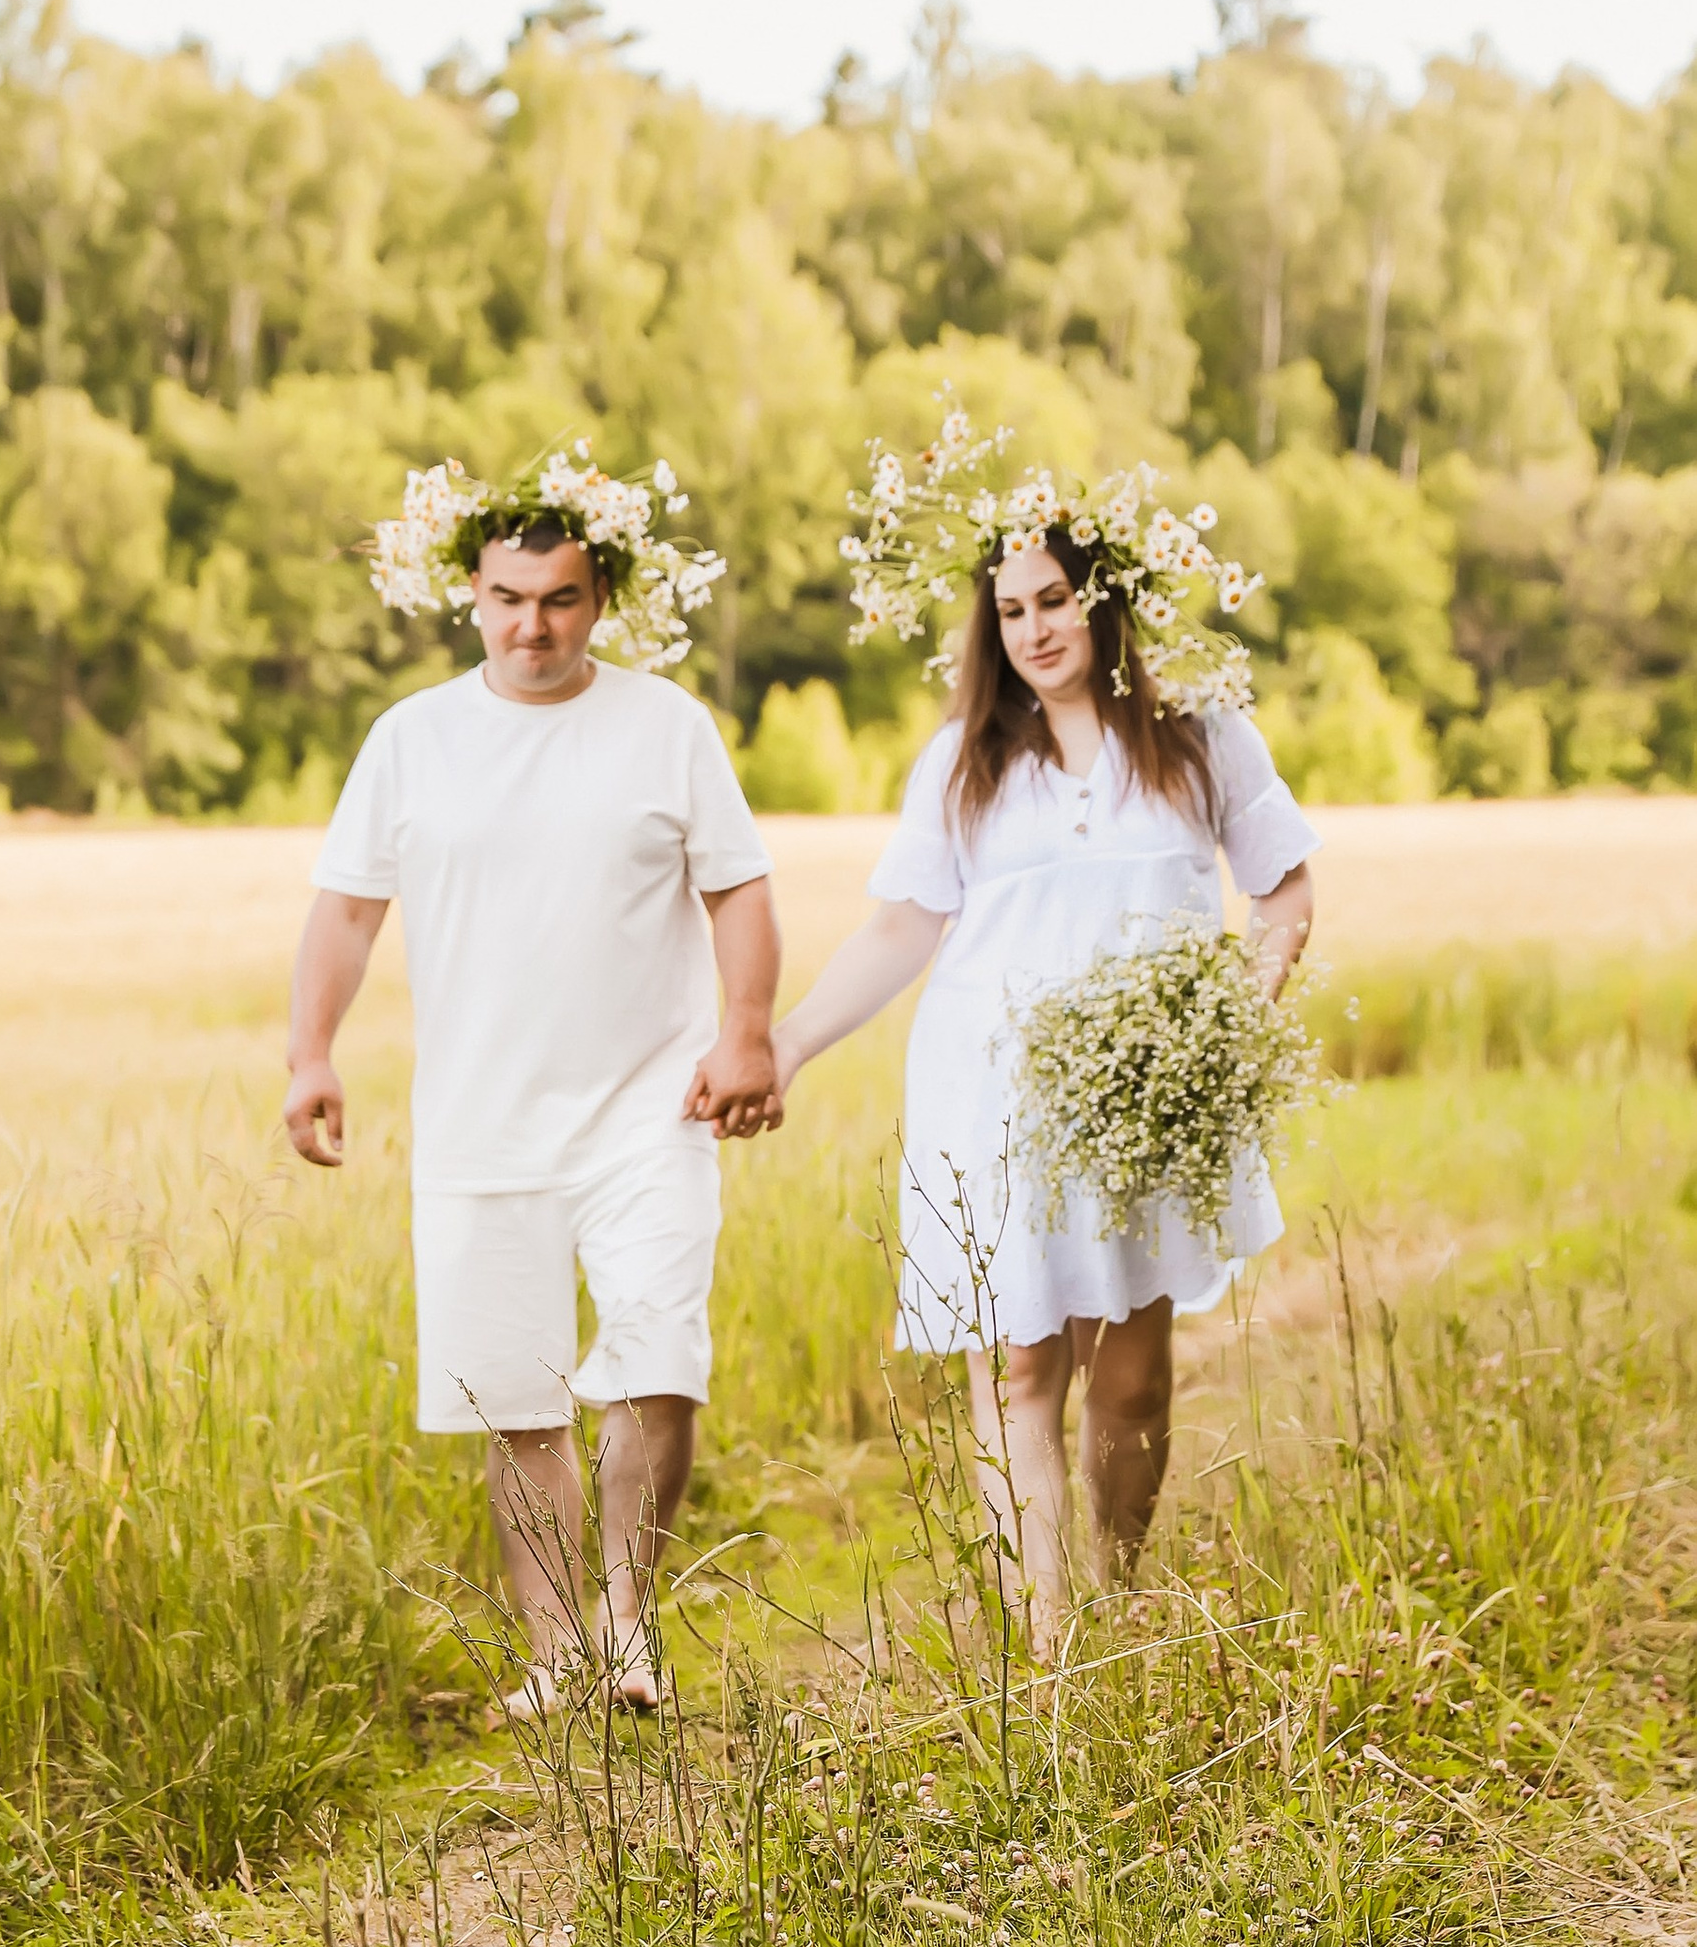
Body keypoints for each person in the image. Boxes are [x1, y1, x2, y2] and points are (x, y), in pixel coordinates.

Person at [773, 468, 1316, 1645]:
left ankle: (1118, 1596)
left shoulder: (1200, 736)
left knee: (1131, 1377)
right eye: (1012, 611)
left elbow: (1282, 893)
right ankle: (1047, 1643)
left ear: (1104, 600)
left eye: (1055, 600)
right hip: (990, 1098)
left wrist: (1225, 1030)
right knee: (1018, 1367)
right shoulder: (966, 764)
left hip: (1139, 1105)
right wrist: (789, 1043)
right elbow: (899, 928)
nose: (1034, 630)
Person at [285, 451, 780, 1714]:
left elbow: (738, 889)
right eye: (508, 596)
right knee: (517, 1403)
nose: (532, 625)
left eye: (559, 598)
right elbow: (344, 913)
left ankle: (627, 1623)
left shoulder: (666, 726)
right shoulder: (412, 740)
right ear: (469, 591)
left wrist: (748, 1029)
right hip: (479, 1126)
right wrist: (311, 1056)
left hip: (647, 1112)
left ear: (599, 596)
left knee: (658, 1358)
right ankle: (559, 1658)